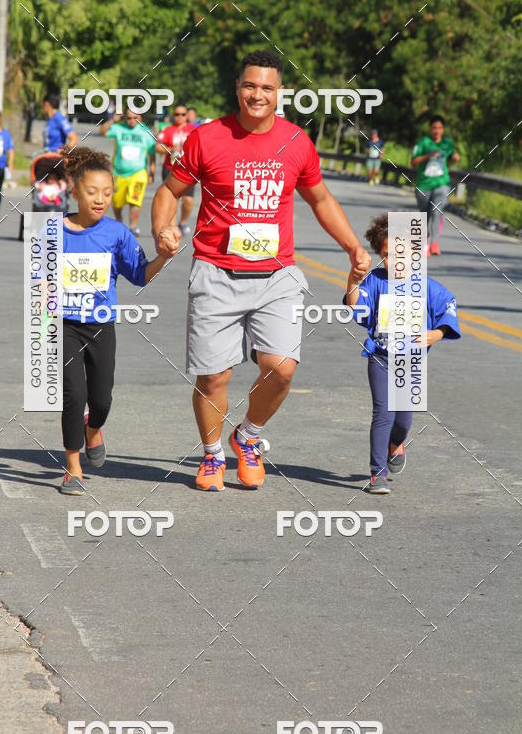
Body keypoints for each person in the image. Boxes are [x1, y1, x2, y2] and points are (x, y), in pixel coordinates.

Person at [151, 49, 371, 493]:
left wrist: (352, 246)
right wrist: (162, 229)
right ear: (237, 88)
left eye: (267, 88)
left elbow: (321, 199)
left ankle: (248, 437)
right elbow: (169, 191)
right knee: (214, 376)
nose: (257, 95)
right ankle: (213, 455)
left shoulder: (296, 142)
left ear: (280, 92)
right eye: (250, 86)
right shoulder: (206, 138)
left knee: (282, 368)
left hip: (277, 276)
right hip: (216, 271)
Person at [59, 147, 179, 495]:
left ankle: (93, 428)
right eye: (92, 192)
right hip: (63, 326)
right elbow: (37, 281)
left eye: (107, 193)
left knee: (101, 400)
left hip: (100, 327)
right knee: (74, 394)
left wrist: (163, 257)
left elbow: (140, 275)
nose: (100, 200)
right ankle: (72, 467)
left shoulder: (117, 233)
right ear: (75, 190)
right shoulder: (51, 230)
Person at [345, 212, 461, 495]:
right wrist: (353, 281)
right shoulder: (375, 281)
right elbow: (356, 307)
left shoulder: (427, 288)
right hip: (381, 357)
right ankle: (377, 474)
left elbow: (449, 306)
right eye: (386, 255)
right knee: (383, 413)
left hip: (411, 363)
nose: (393, 261)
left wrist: (437, 333)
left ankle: (396, 443)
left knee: (403, 420)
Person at [99, 107, 156, 236]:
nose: (132, 121)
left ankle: (133, 226)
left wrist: (152, 172)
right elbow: (102, 131)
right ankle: (119, 223)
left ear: (140, 117)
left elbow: (152, 155)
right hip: (118, 173)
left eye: (135, 118)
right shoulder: (118, 128)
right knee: (117, 202)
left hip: (138, 173)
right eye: (129, 118)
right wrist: (113, 120)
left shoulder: (146, 132)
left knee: (135, 201)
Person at [410, 115, 459, 256]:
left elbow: (454, 155)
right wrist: (428, 155)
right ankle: (423, 243)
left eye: (440, 128)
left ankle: (435, 244)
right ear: (430, 129)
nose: (437, 131)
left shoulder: (447, 143)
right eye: (434, 128)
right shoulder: (423, 143)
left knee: (437, 211)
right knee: (424, 213)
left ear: (443, 129)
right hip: (424, 184)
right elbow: (413, 162)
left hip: (442, 183)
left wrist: (455, 157)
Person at [157, 103, 196, 235]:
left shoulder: (193, 130)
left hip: (188, 170)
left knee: (188, 200)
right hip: (170, 169)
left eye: (183, 114)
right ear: (173, 115)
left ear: (187, 115)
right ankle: (172, 227)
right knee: (172, 198)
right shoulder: (168, 130)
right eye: (177, 114)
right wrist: (169, 149)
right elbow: (157, 146)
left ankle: (183, 223)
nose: (180, 117)